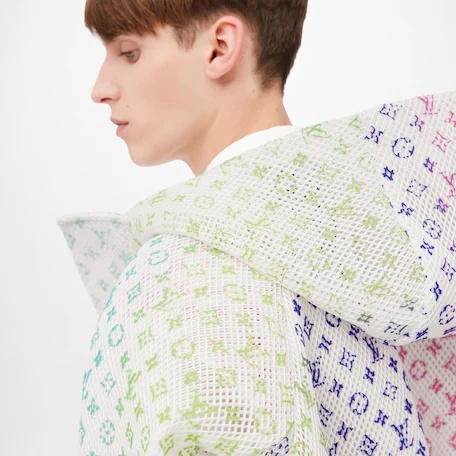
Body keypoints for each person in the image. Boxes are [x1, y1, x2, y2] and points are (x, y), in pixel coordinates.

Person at [56, 1, 456, 455]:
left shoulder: (186, 270)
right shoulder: (403, 234)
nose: (100, 89)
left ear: (219, 47)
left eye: (129, 53)